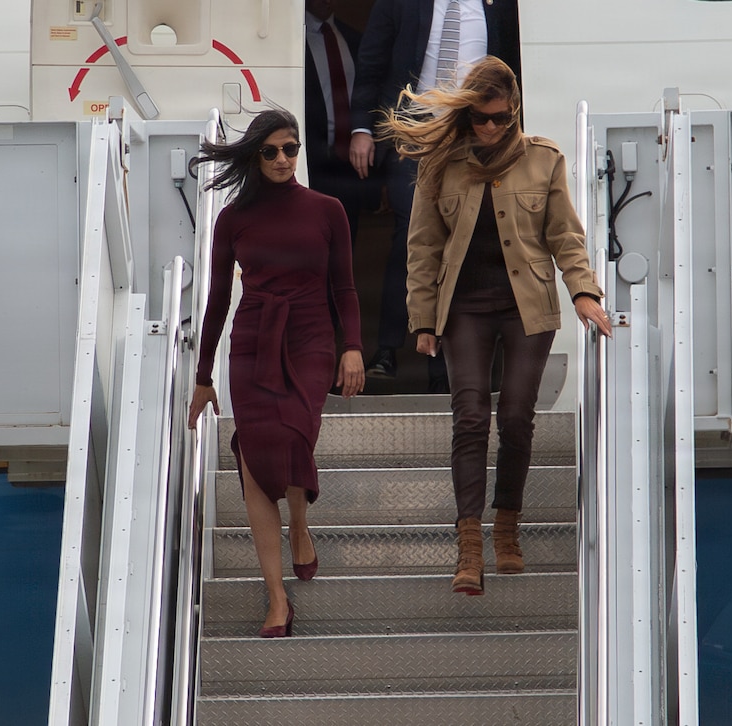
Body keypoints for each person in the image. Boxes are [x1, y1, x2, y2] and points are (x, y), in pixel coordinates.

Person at [378, 56, 612, 595]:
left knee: (516, 417)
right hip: (463, 307)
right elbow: (423, 246)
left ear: (515, 113)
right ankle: (469, 549)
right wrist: (422, 318)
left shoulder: (544, 160)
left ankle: (507, 531)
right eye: (480, 118)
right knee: (470, 416)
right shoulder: (442, 164)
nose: (488, 128)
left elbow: (566, 238)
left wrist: (583, 291)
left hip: (528, 307)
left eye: (499, 118)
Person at [187, 109, 366, 636]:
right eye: (272, 151)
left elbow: (346, 289)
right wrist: (203, 375)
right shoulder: (233, 219)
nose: (284, 159)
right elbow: (218, 297)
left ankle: (301, 524)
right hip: (253, 341)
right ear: (255, 156)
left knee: (292, 438)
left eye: (291, 149)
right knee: (255, 465)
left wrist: (351, 347)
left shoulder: (327, 210)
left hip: (311, 338)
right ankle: (276, 599)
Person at [349, 0, 521, 392]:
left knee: (467, 239)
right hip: (416, 134)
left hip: (478, 133)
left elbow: (515, 66)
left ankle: (448, 367)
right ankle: (390, 350)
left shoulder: (500, 7)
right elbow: (372, 60)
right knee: (413, 235)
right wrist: (362, 127)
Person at [304, 0, 363, 244]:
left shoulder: (353, 38)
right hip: (312, 162)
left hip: (349, 162)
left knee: (347, 240)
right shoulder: (291, 43)